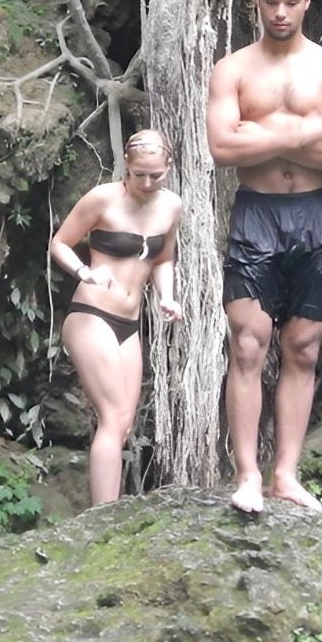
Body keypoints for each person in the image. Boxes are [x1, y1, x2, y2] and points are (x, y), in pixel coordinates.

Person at [206, 0, 322, 514]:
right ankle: (247, 474)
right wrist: (303, 129)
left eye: (290, 2)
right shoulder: (234, 70)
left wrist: (264, 131)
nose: (280, 12)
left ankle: (286, 474)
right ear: (257, 1)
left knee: (302, 346)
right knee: (249, 343)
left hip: (317, 214)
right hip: (257, 213)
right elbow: (223, 149)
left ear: (307, 2)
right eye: (270, 2)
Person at [48, 129, 184, 506]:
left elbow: (163, 257)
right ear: (127, 165)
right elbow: (59, 242)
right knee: (112, 416)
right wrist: (84, 272)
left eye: (155, 175)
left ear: (168, 168)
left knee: (124, 421)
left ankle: (108, 508)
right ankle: (102, 515)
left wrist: (167, 297)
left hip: (130, 322)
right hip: (92, 312)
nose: (145, 182)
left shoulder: (171, 206)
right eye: (138, 173)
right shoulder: (103, 198)